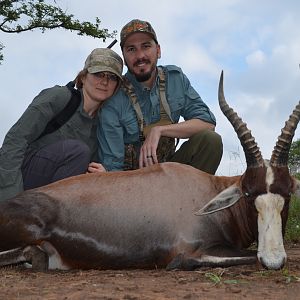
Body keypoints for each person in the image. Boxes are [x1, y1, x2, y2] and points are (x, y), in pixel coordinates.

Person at [97, 19, 223, 173]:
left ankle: (194, 197)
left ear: (158, 50)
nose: (140, 55)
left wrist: (159, 131)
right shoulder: (114, 98)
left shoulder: (175, 78)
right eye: (131, 49)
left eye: (146, 46)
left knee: (210, 140)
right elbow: (112, 168)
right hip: (132, 183)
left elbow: (207, 123)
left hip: (169, 173)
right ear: (124, 57)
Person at [0, 48, 123, 201]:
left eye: (112, 77)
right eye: (98, 74)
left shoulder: (104, 126)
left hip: (50, 196)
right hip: (18, 180)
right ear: (83, 77)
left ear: (116, 86)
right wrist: (10, 198)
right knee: (78, 151)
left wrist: (102, 177)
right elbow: (15, 140)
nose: (104, 82)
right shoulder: (59, 96)